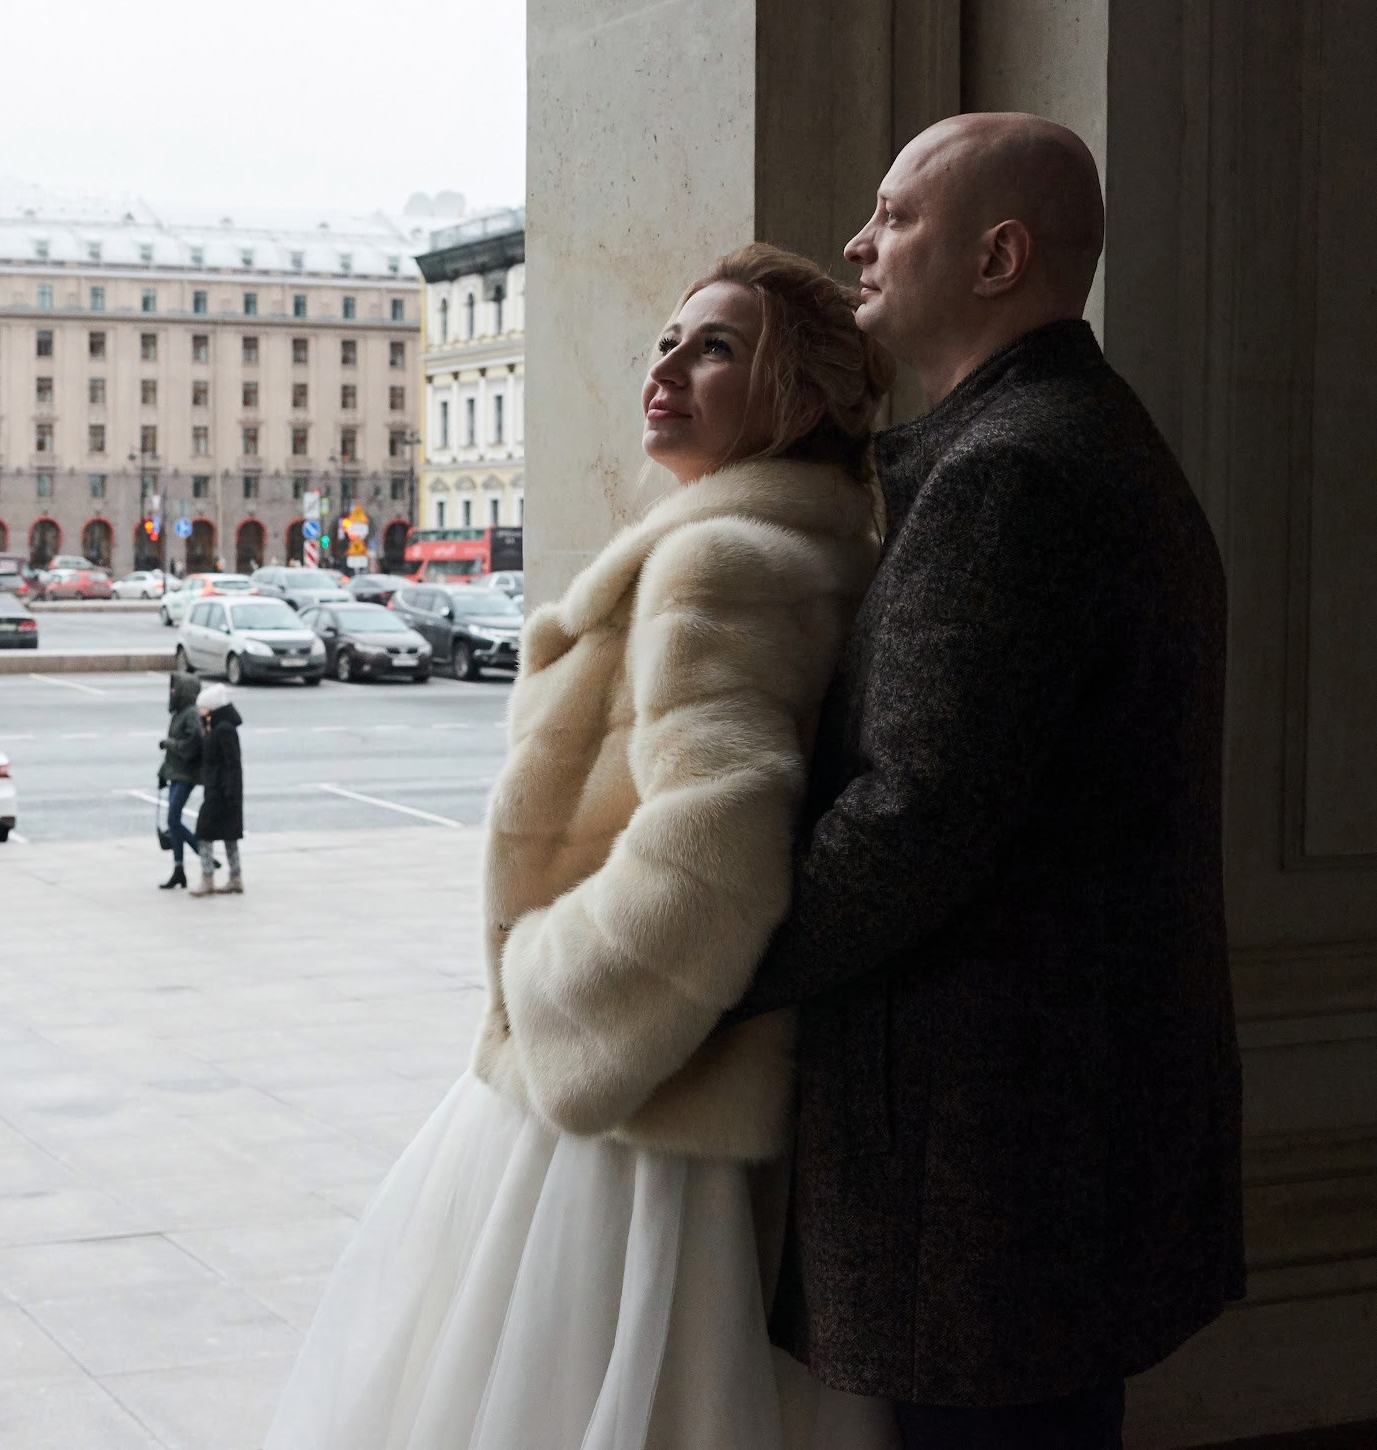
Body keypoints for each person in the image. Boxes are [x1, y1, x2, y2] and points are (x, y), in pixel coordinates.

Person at [266, 244, 894, 1448]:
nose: (666, 366)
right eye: (668, 338)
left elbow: (717, 836)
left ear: (805, 400)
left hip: (639, 1103)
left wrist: (559, 989)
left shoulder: (719, 560)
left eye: (717, 348)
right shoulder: (794, 545)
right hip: (675, 1081)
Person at [729, 114, 1240, 1447]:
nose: (858, 240)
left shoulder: (1011, 473)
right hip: (1053, 1140)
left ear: (999, 256)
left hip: (987, 1158)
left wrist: (708, 962)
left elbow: (910, 821)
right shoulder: (1069, 437)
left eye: (895, 215)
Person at [192, 683, 244, 895]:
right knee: (229, 836)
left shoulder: (223, 730)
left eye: (202, 708)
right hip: (222, 791)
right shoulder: (216, 726)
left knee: (204, 833)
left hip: (220, 792)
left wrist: (229, 791)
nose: (200, 712)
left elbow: (232, 764)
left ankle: (208, 879)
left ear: (212, 708)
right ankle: (235, 877)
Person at [156, 670, 204, 889]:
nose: (172, 692)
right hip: (176, 773)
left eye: (175, 688)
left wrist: (169, 744)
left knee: (173, 819)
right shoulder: (179, 713)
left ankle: (200, 853)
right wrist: (162, 773)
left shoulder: (191, 714)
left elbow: (191, 745)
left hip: (186, 774)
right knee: (172, 821)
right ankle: (179, 869)